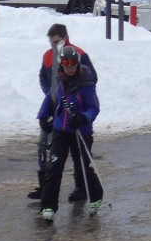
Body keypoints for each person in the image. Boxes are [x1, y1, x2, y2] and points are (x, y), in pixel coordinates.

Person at [29, 24, 97, 201]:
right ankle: (45, 186)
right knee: (44, 145)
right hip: (56, 104)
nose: (54, 46)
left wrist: (76, 94)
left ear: (65, 38)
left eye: (57, 42)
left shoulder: (78, 54)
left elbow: (91, 78)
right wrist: (51, 95)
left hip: (74, 108)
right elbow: (43, 77)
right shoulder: (48, 55)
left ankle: (81, 187)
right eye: (51, 42)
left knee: (78, 153)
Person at [38, 44, 104, 222]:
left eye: (73, 64)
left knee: (83, 166)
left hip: (81, 132)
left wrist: (84, 118)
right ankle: (48, 206)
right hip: (61, 131)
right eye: (66, 64)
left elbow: (94, 108)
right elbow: (50, 100)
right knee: (54, 167)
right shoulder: (58, 82)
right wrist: (43, 117)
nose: (69, 68)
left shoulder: (86, 84)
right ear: (61, 65)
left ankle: (96, 196)